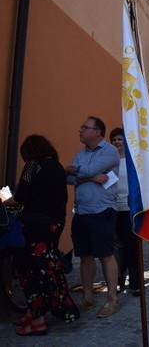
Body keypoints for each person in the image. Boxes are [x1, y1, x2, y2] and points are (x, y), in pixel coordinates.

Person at [5, 135, 80, 335]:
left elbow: (20, 197)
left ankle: (37, 319)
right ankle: (35, 312)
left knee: (29, 270)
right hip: (53, 224)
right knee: (46, 267)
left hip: (34, 225)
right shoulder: (55, 166)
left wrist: (4, 198)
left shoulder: (33, 166)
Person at [65, 116, 120, 318]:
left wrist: (80, 172)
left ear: (97, 132)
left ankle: (112, 299)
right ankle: (87, 297)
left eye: (85, 127)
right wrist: (89, 177)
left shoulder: (110, 151)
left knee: (106, 254)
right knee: (85, 255)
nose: (80, 130)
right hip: (81, 211)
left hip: (102, 210)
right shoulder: (80, 153)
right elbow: (69, 178)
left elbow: (81, 170)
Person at [110, 127, 140, 296]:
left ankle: (135, 282)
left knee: (131, 247)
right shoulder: (109, 161)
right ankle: (118, 279)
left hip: (129, 208)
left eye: (119, 139)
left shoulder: (132, 161)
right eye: (114, 139)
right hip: (113, 208)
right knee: (115, 248)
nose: (116, 142)